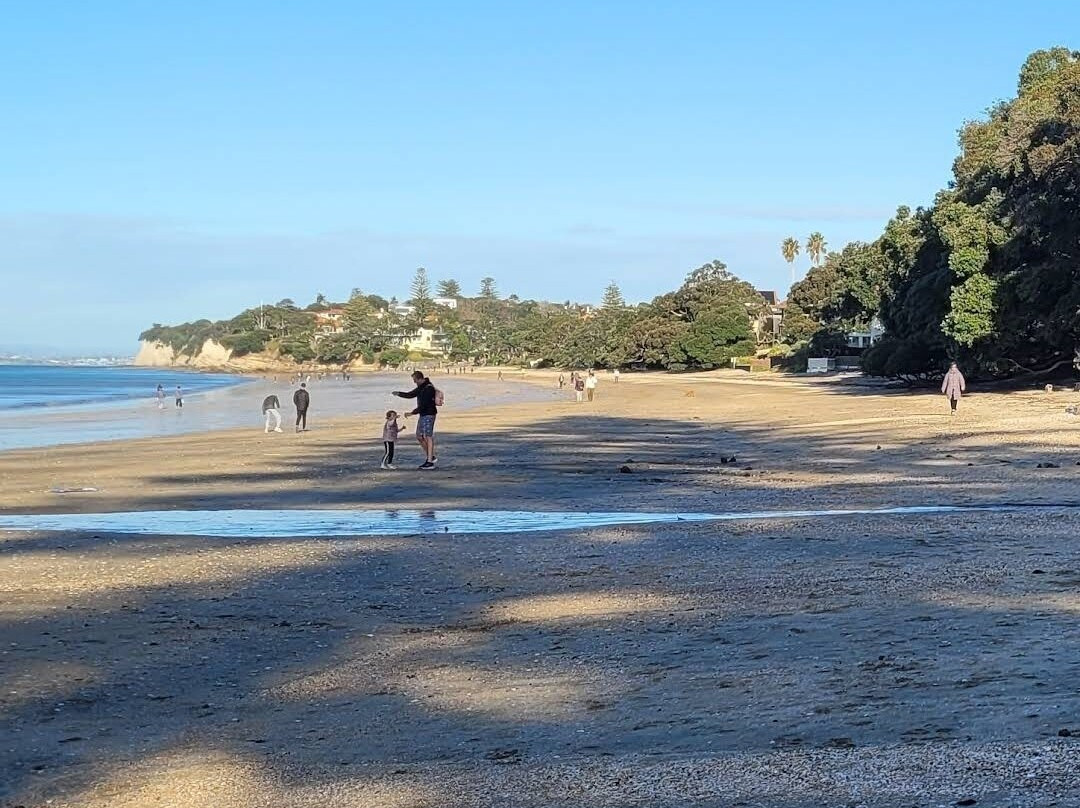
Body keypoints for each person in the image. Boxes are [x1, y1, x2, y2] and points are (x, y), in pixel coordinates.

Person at [393, 371, 438, 469]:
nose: (414, 382)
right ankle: (431, 456)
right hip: (423, 414)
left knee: (428, 436)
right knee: (419, 436)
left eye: (415, 380)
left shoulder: (429, 388)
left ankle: (430, 462)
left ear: (420, 379)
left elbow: (424, 405)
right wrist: (399, 393)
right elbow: (411, 394)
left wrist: (412, 413)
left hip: (429, 414)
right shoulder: (421, 387)